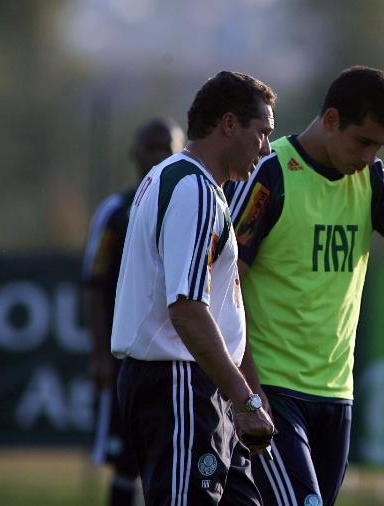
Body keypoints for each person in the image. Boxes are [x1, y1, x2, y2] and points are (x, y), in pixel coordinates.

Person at [225, 65, 384, 506]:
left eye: (378, 145)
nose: (368, 156)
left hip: (335, 395)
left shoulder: (369, 180)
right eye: (362, 141)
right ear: (331, 120)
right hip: (273, 390)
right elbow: (223, 286)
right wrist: (248, 393)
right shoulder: (272, 175)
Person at [111, 71, 278, 506]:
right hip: (179, 386)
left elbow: (221, 306)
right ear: (227, 124)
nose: (265, 150)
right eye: (261, 134)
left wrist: (246, 389)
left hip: (197, 387)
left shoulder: (178, 179)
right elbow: (186, 309)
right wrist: (244, 400)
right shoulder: (194, 189)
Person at [83, 117, 185, 506]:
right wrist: (98, 354)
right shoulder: (117, 211)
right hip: (125, 358)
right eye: (152, 147)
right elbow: (92, 284)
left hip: (176, 357)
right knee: (126, 461)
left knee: (174, 460)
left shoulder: (191, 206)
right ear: (135, 154)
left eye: (167, 147)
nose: (159, 155)